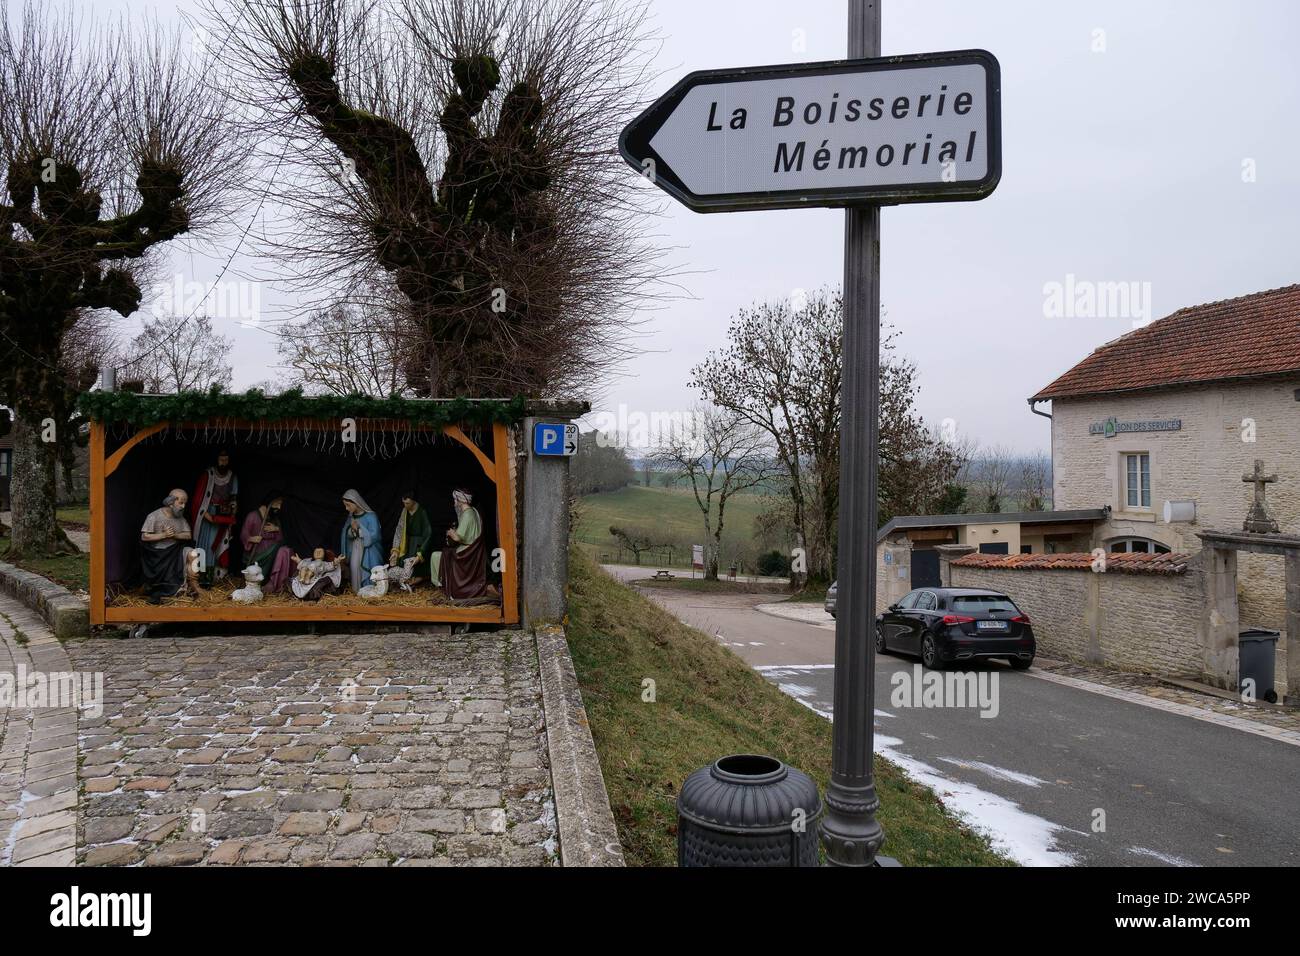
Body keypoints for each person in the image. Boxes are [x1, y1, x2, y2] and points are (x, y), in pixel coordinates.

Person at [430, 488, 487, 599]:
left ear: (461, 500)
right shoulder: (473, 511)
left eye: (455, 499)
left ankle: (442, 585)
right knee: (444, 553)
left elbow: (457, 538)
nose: (454, 501)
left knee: (436, 556)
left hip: (465, 553)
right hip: (471, 550)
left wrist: (451, 532)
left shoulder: (467, 515)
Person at [190, 450, 238, 579]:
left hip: (222, 517)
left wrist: (232, 513)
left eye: (226, 460)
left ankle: (211, 578)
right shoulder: (208, 475)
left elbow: (233, 498)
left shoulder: (232, 477)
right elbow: (198, 500)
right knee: (204, 545)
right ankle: (200, 577)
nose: (223, 463)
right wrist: (207, 516)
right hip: (207, 516)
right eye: (221, 459)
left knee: (216, 546)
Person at [140, 489, 194, 603]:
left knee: (194, 553)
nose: (183, 506)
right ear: (171, 502)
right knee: (158, 584)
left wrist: (175, 535)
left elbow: (188, 535)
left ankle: (192, 586)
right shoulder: (154, 516)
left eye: (185, 503)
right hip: (158, 555)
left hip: (175, 552)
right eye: (181, 503)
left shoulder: (180, 518)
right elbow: (144, 536)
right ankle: (164, 590)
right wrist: (163, 535)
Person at [240, 492, 294, 593]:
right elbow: (244, 534)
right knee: (277, 547)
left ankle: (272, 581)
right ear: (270, 502)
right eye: (278, 503)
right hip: (258, 551)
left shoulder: (273, 517)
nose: (279, 507)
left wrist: (276, 529)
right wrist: (251, 539)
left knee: (281, 549)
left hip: (271, 549)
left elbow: (281, 538)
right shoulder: (252, 516)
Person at [339, 489, 383, 593]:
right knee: (355, 568)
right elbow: (346, 533)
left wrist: (359, 530)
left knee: (367, 569)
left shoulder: (371, 516)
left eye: (348, 505)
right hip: (355, 547)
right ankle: (357, 592)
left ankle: (369, 591)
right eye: (345, 505)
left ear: (355, 502)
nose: (346, 508)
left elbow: (375, 535)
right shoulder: (351, 517)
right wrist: (352, 531)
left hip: (369, 550)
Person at [390, 493, 434, 584]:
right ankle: (407, 580)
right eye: (403, 503)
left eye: (407, 503)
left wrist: (420, 553)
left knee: (415, 566)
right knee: (404, 565)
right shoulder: (404, 512)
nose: (405, 505)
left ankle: (417, 578)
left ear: (414, 501)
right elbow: (399, 530)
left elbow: (428, 533)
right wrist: (395, 550)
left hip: (419, 544)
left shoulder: (422, 512)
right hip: (407, 544)